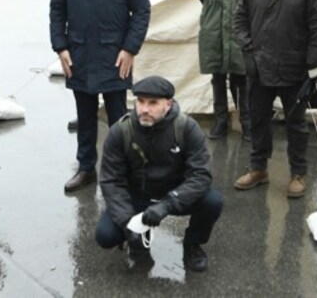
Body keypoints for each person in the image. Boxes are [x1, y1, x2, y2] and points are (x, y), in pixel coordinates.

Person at [49, 0, 151, 193]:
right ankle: (85, 168)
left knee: (119, 118)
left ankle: (119, 169)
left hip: (114, 55)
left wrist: (130, 49)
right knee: (85, 115)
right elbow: (57, 9)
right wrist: (61, 46)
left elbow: (141, 11)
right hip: (79, 54)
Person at [233, 0, 317, 198]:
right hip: (259, 66)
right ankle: (258, 168)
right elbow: (239, 18)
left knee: (296, 124)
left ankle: (298, 173)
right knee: (258, 121)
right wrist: (249, 47)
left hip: (295, 68)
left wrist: (313, 62)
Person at [94, 75, 222, 272]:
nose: (145, 109)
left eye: (153, 103)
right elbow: (111, 180)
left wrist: (167, 204)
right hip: (137, 195)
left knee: (212, 201)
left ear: (168, 104)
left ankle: (192, 245)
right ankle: (137, 242)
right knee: (105, 236)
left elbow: (201, 175)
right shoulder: (120, 131)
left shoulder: (187, 128)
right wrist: (127, 222)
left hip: (174, 194)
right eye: (141, 102)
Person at [191, 0, 262, 140]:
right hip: (213, 25)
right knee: (218, 76)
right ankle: (220, 121)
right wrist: (214, 8)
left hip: (243, 25)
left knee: (244, 76)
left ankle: (247, 122)